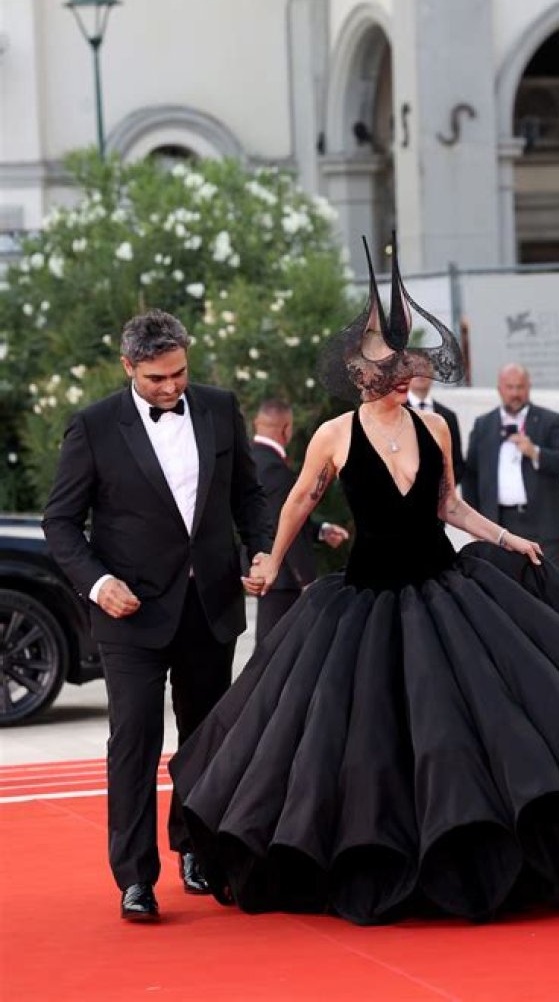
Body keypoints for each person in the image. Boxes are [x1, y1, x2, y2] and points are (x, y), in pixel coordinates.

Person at [169, 238, 559, 927]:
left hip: (443, 590)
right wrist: (273, 561)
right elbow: (301, 501)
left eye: (403, 363)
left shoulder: (436, 429)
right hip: (361, 604)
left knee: (466, 735)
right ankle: (366, 859)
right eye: (387, 363)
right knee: (364, 741)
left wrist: (507, 537)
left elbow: (449, 506)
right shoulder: (334, 435)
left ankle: (470, 858)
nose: (400, 373)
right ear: (360, 373)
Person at [42, 309, 273, 922]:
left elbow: (249, 496)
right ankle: (135, 878)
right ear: (128, 368)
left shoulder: (220, 407)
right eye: (155, 379)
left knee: (205, 742)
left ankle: (196, 850)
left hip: (210, 608)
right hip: (131, 614)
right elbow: (60, 523)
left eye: (179, 374)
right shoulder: (93, 427)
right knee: (134, 743)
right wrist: (98, 583)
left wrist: (263, 548)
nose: (171, 388)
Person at [461, 364, 559, 572]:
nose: (515, 393)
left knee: (551, 592)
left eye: (520, 387)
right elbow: (470, 476)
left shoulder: (549, 421)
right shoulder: (484, 425)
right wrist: (475, 523)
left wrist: (536, 452)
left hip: (543, 524)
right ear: (499, 389)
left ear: (529, 388)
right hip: (499, 524)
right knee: (506, 592)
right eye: (510, 387)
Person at [252, 397, 349, 643]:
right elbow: (284, 524)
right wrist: (306, 578)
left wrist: (321, 529)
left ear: (256, 423)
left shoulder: (251, 460)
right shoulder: (275, 469)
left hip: (266, 570)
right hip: (283, 576)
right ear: (287, 428)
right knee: (274, 650)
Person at [406, 373, 465, 483]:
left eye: (425, 367)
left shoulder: (448, 416)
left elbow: (457, 463)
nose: (420, 373)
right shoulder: (394, 413)